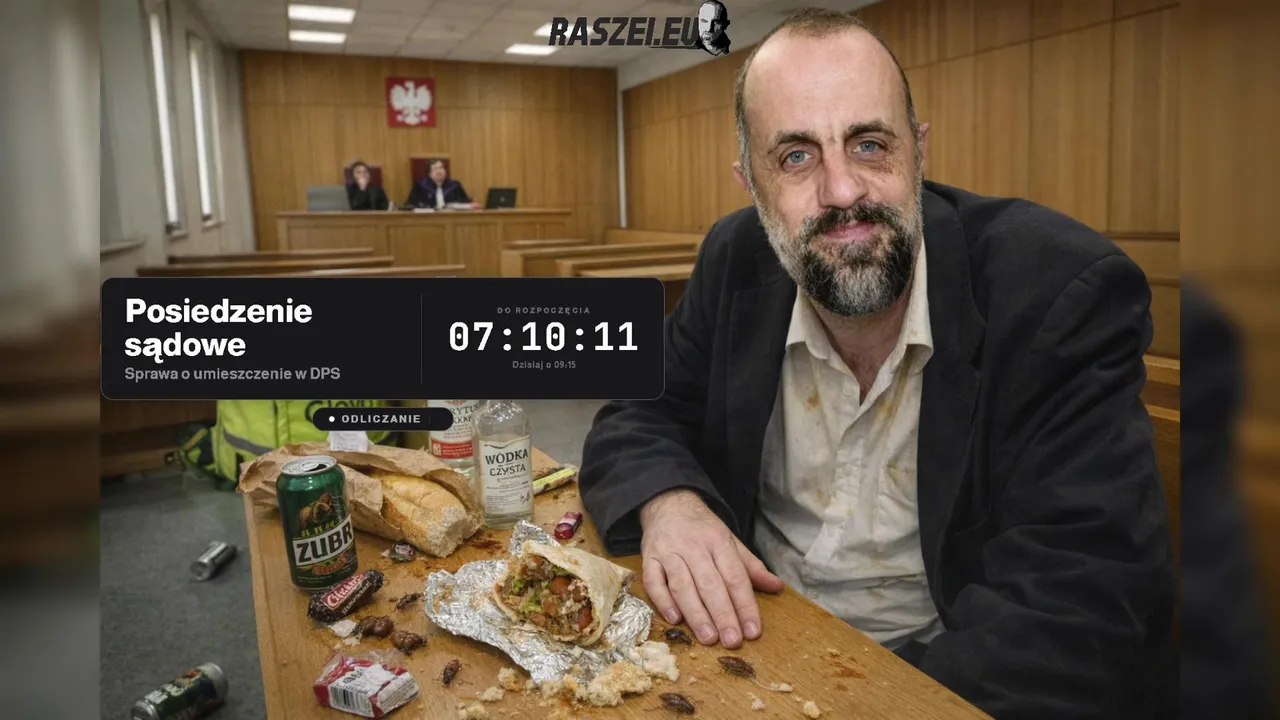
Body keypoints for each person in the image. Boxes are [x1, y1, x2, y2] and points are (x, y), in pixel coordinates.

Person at [579, 8, 1174, 717]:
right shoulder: (735, 258)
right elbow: (638, 407)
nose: (842, 191)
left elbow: (1075, 616)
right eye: (796, 157)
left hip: (941, 680)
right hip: (752, 649)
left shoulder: (1057, 296)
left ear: (918, 152)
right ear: (751, 184)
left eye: (869, 145)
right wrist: (671, 504)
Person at [405, 159, 472, 210]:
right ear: (429, 174)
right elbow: (410, 205)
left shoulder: (455, 185)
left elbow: (466, 203)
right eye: (435, 169)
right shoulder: (421, 186)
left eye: (441, 168)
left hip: (452, 218)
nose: (439, 171)